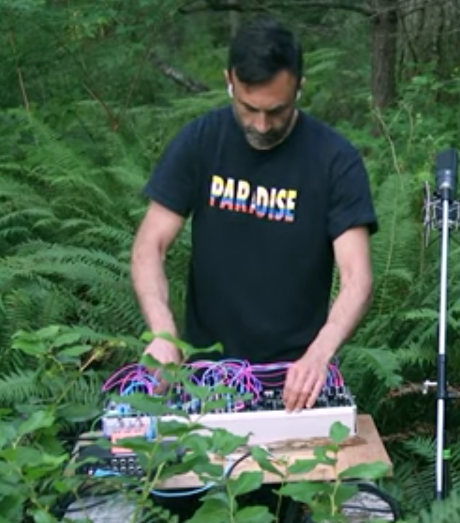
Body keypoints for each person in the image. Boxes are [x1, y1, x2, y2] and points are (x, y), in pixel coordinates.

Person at [130, 15, 378, 413]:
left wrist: (320, 354)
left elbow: (357, 277)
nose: (261, 125)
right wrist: (162, 334)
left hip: (296, 376)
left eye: (277, 111)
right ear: (230, 80)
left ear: (300, 85)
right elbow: (150, 246)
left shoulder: (335, 160)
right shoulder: (200, 142)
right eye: (248, 108)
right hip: (207, 375)